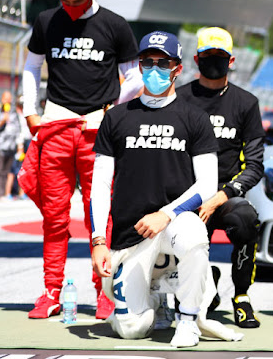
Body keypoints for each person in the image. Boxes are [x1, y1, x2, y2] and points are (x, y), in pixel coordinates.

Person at [90, 31, 237, 347]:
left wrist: (166, 214)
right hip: (131, 234)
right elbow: (100, 184)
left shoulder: (195, 118)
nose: (155, 69)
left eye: (163, 63)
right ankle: (156, 299)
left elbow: (208, 184)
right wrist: (98, 241)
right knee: (132, 328)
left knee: (195, 234)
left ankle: (187, 319)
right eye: (148, 62)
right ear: (139, 66)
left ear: (178, 68)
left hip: (173, 223)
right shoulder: (115, 118)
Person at [17, 0, 142, 319]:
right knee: (54, 219)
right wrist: (30, 113)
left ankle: (104, 292)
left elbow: (132, 78)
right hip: (54, 127)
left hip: (96, 132)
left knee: (99, 217)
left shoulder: (115, 25)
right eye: (64, 1)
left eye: (76, 3)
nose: (69, 10)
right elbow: (30, 67)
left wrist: (112, 111)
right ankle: (51, 292)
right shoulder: (47, 20)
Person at [176, 27, 265, 328]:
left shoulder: (246, 103)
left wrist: (220, 196)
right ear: (196, 58)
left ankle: (241, 295)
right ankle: (205, 281)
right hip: (187, 196)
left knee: (245, 218)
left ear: (232, 60)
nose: (214, 61)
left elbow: (254, 165)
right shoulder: (179, 99)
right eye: (208, 55)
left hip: (226, 195)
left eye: (220, 56)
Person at [0, 91, 20, 202]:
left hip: (10, 146)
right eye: (5, 98)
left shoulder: (13, 112)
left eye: (9, 98)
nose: (7, 100)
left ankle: (5, 194)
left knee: (6, 171)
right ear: (2, 99)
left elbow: (17, 128)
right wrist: (2, 121)